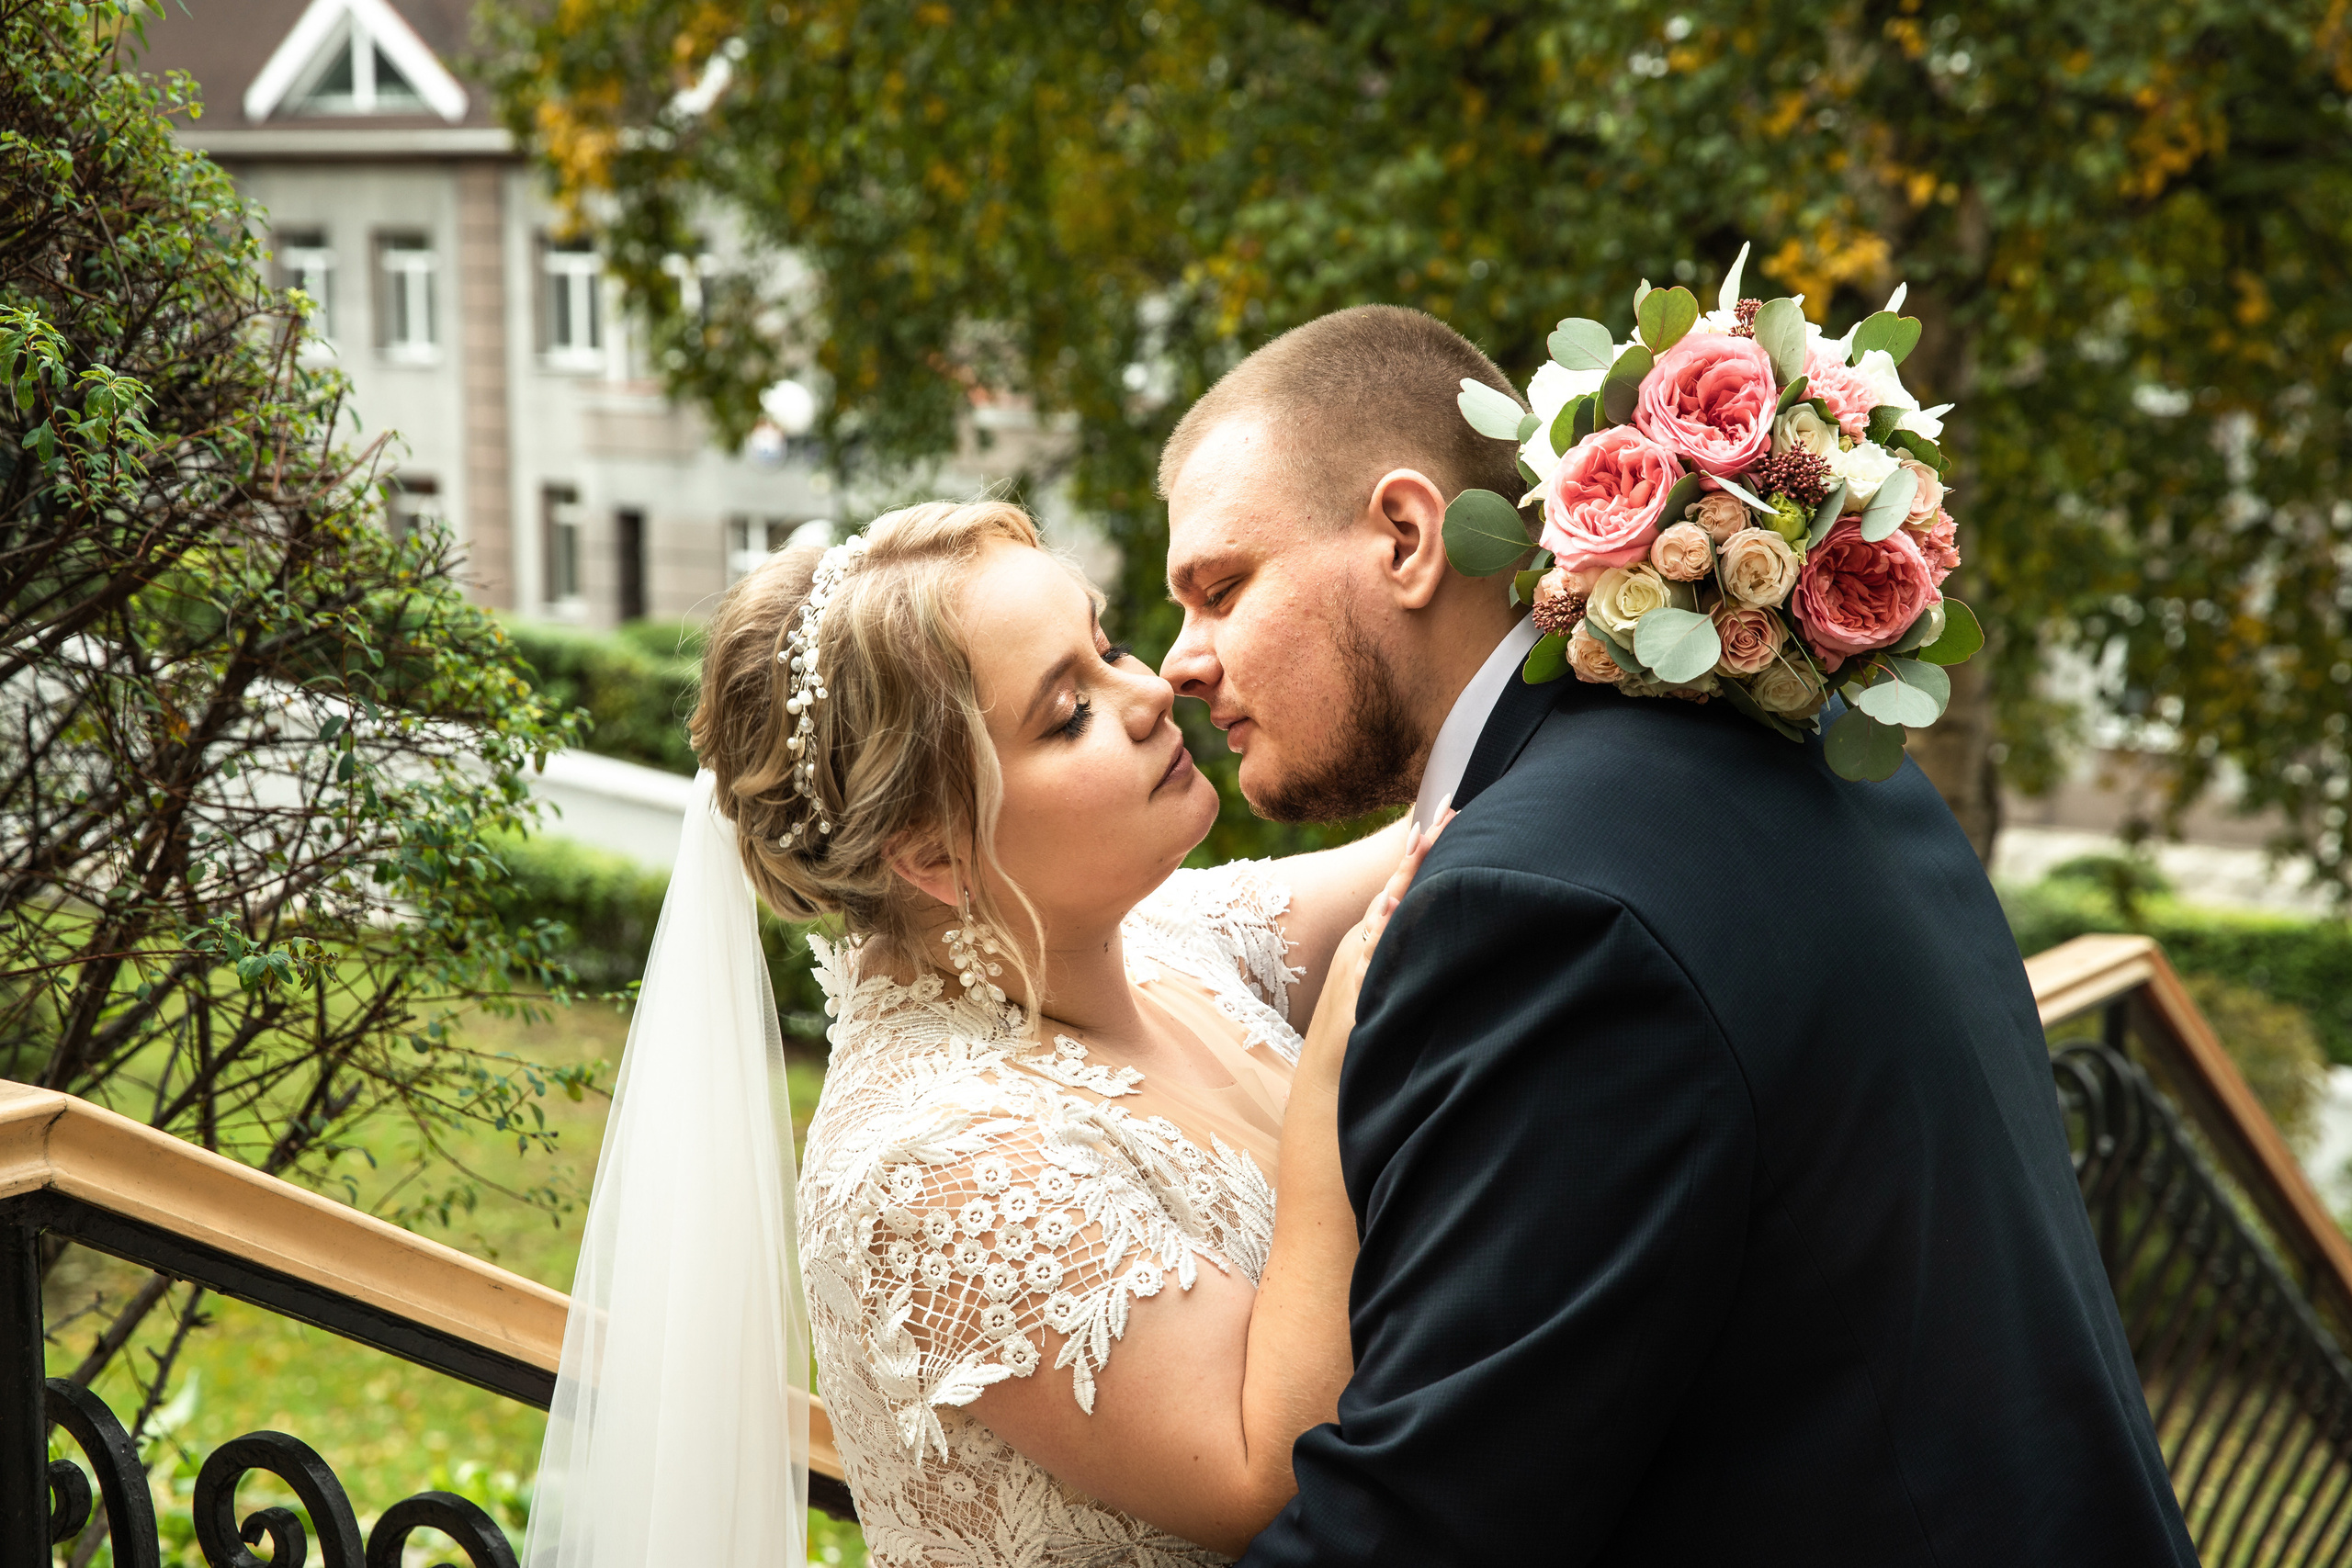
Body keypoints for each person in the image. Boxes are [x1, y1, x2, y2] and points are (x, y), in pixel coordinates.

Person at [1153, 304, 2198, 1565]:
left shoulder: (1539, 908)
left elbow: (1427, 1522)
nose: (1178, 665)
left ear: (1408, 538)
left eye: (1220, 589)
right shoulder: (1794, 735)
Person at [526, 497, 1442, 1568]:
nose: (1152, 690)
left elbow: (1438, 845)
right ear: (935, 854)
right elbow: (1259, 1477)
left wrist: (1597, 584)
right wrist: (1328, 1092)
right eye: (1069, 712)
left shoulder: (1160, 937)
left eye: (1106, 646)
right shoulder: (930, 1168)